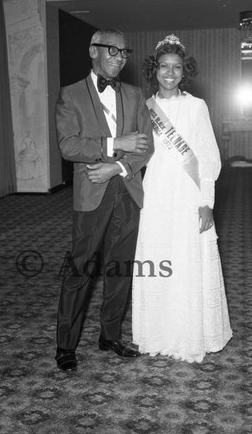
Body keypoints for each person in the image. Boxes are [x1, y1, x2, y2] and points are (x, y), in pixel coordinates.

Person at [55, 28, 154, 371]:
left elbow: (146, 146)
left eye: (125, 53)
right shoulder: (70, 95)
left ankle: (109, 336)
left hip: (125, 189)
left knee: (120, 268)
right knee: (80, 269)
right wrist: (116, 144)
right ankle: (66, 344)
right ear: (93, 51)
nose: (120, 59)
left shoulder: (135, 94)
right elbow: (68, 145)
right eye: (113, 51)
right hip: (91, 194)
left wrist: (116, 167)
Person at [132, 34, 232, 363]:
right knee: (160, 259)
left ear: (184, 71)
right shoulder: (144, 108)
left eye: (177, 67)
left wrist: (207, 202)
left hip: (188, 194)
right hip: (158, 193)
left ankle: (189, 334)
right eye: (164, 67)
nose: (170, 73)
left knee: (187, 260)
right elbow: (139, 154)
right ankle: (158, 333)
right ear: (154, 69)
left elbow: (208, 157)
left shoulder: (196, 107)